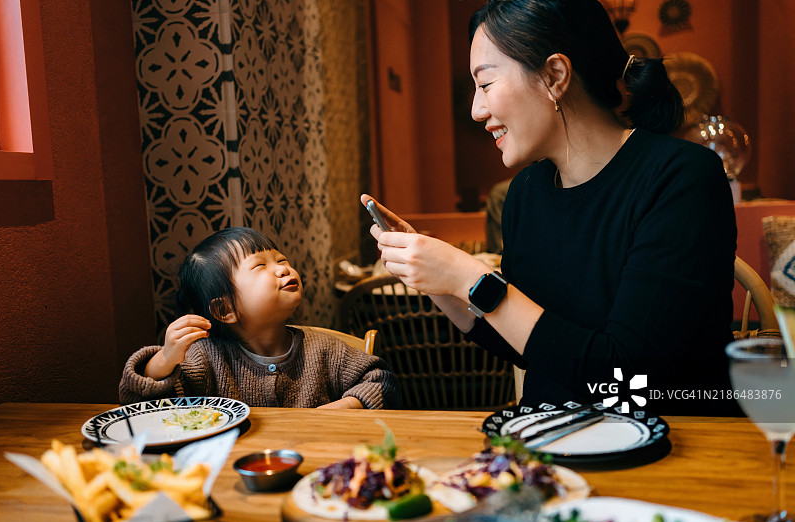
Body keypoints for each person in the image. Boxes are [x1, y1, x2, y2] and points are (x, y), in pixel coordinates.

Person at [362, 0, 739, 415]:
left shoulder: (682, 178)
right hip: (549, 443)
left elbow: (628, 377)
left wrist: (468, 275)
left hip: (667, 444)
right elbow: (530, 344)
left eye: (485, 84)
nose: (476, 109)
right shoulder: (525, 193)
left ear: (554, 76)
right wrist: (439, 282)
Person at [119, 227, 401, 409]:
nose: (283, 269)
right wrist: (165, 359)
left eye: (281, 260)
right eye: (260, 266)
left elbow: (383, 382)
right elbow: (136, 403)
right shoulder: (206, 359)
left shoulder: (324, 350)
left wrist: (345, 406)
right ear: (225, 310)